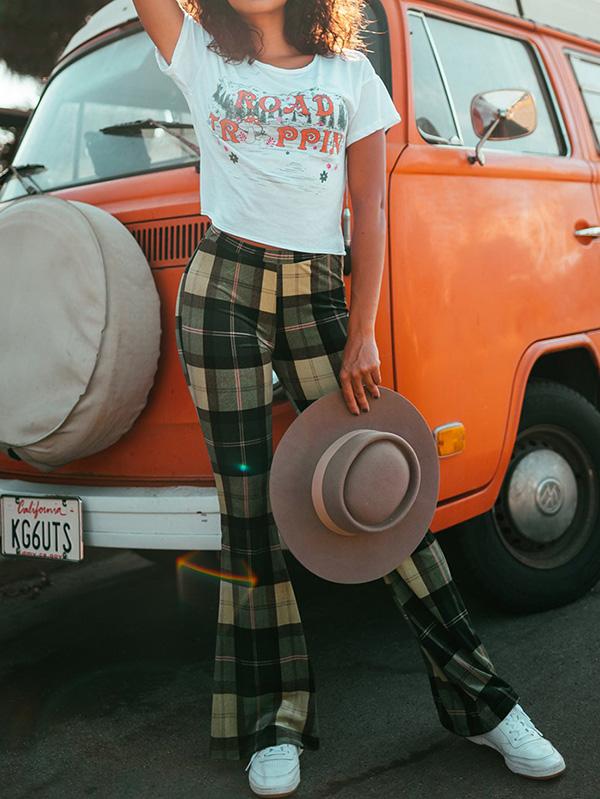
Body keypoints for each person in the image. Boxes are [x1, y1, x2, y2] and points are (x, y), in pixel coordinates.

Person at [134, 0, 566, 794]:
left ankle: (486, 702)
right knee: (247, 512)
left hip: (319, 291)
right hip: (222, 289)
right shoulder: (201, 52)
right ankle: (273, 721)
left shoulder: (350, 74)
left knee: (385, 494)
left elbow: (370, 208)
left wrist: (361, 330)